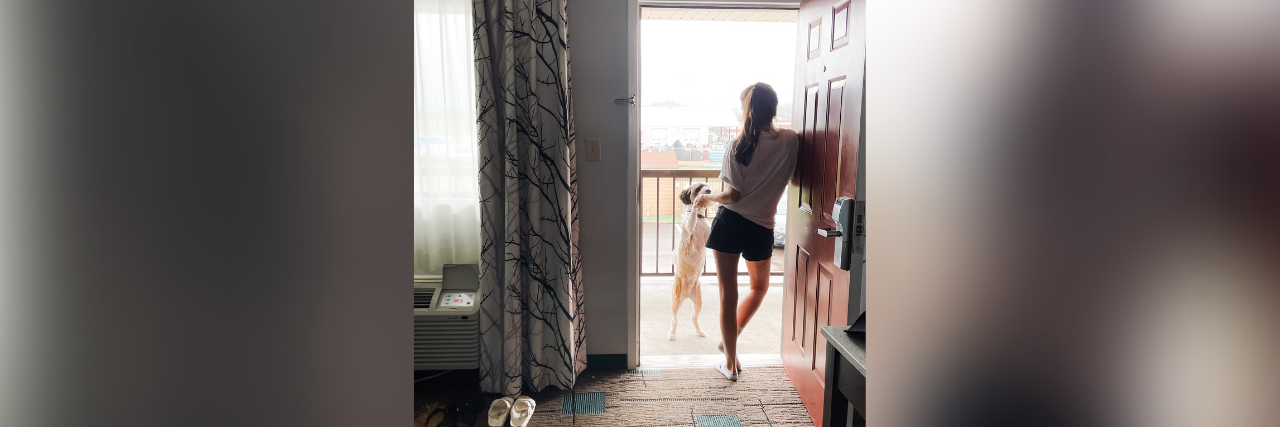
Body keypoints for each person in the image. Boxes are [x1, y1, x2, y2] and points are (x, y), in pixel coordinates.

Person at [694, 82, 798, 381]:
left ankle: (729, 361)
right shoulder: (791, 140)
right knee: (759, 288)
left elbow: (732, 196)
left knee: (729, 294)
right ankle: (731, 345)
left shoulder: (738, 146)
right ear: (774, 109)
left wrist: (710, 196)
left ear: (747, 110)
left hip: (731, 223)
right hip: (762, 226)